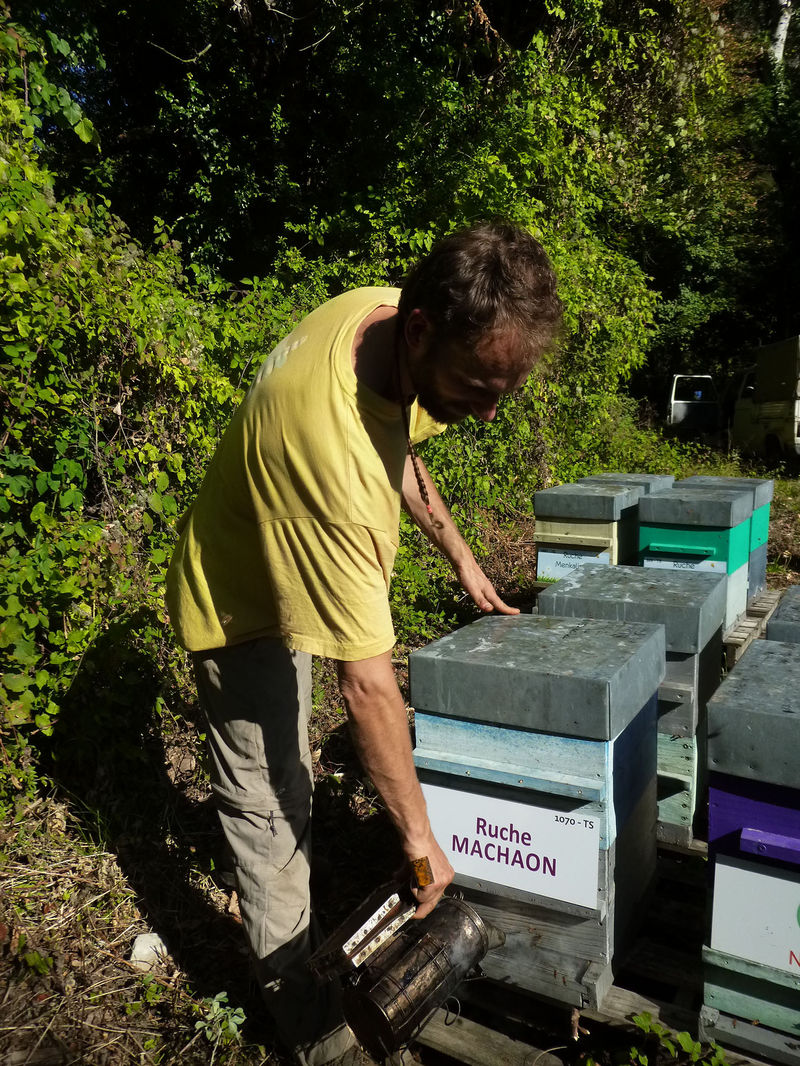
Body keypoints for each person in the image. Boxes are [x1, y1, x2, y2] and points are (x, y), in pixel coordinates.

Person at [165, 220, 562, 1066]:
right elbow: (369, 688)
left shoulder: (381, 316)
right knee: (271, 811)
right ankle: (313, 1028)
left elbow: (402, 446)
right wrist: (421, 845)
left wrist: (460, 556)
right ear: (422, 332)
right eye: (478, 386)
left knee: (297, 779)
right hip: (239, 606)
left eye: (503, 391)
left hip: (287, 548)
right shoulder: (332, 461)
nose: (489, 412)